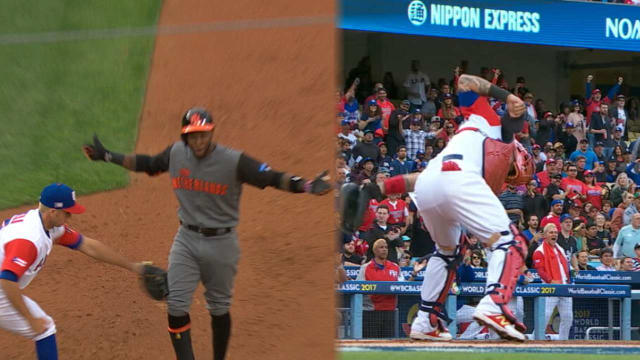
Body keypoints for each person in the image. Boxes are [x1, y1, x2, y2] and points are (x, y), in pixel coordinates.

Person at [82, 108, 330, 360]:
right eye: (193, 136)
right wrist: (107, 156)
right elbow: (147, 164)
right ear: (184, 136)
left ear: (211, 133)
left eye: (203, 135)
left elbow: (271, 177)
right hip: (186, 239)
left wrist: (306, 185)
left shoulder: (233, 161)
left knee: (219, 308)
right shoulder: (176, 154)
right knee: (176, 305)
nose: (199, 141)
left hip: (222, 243)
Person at [344, 74, 534, 341]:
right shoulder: (492, 125)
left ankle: (425, 321)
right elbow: (467, 81)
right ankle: (494, 306)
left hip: (431, 183)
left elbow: (422, 179)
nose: (510, 177)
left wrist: (379, 189)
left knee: (448, 253)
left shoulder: (475, 149)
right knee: (512, 243)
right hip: (456, 182)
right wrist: (505, 95)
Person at [0, 183, 149, 359]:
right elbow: (8, 280)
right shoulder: (29, 240)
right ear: (53, 212)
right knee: (44, 329)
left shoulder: (47, 225)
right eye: (67, 212)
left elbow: (88, 246)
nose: (70, 216)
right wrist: (30, 319)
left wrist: (134, 266)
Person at [532, 224, 573, 341]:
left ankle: (563, 341)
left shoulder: (560, 248)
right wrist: (550, 281)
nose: (554, 234)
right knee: (544, 316)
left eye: (555, 232)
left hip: (565, 287)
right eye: (551, 232)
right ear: (545, 235)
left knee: (568, 317)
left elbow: (565, 266)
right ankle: (536, 339)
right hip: (549, 288)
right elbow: (540, 271)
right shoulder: (539, 251)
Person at [356, 239, 404, 338]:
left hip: (390, 312)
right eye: (381, 247)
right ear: (375, 250)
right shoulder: (365, 268)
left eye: (386, 247)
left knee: (389, 345)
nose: (384, 250)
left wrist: (414, 274)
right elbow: (358, 288)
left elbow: (403, 286)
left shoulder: (395, 267)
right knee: (370, 344)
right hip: (370, 312)